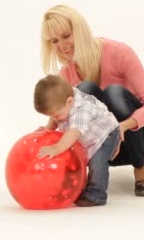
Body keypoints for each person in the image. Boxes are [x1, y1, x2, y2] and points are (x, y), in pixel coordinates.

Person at [39, 4, 144, 196]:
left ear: (79, 31)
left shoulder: (118, 52)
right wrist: (46, 131)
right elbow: (62, 115)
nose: (62, 46)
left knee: (113, 93)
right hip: (106, 149)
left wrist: (122, 126)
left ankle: (141, 166)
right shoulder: (65, 74)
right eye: (54, 41)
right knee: (84, 90)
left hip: (141, 141)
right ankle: (95, 175)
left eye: (66, 36)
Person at [34, 74, 120, 207]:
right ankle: (82, 187)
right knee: (79, 158)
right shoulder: (63, 100)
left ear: (69, 102)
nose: (55, 118)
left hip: (105, 135)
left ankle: (96, 195)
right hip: (89, 135)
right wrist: (48, 128)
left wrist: (56, 148)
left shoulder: (81, 110)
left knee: (97, 163)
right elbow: (56, 117)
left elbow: (73, 132)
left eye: (56, 115)